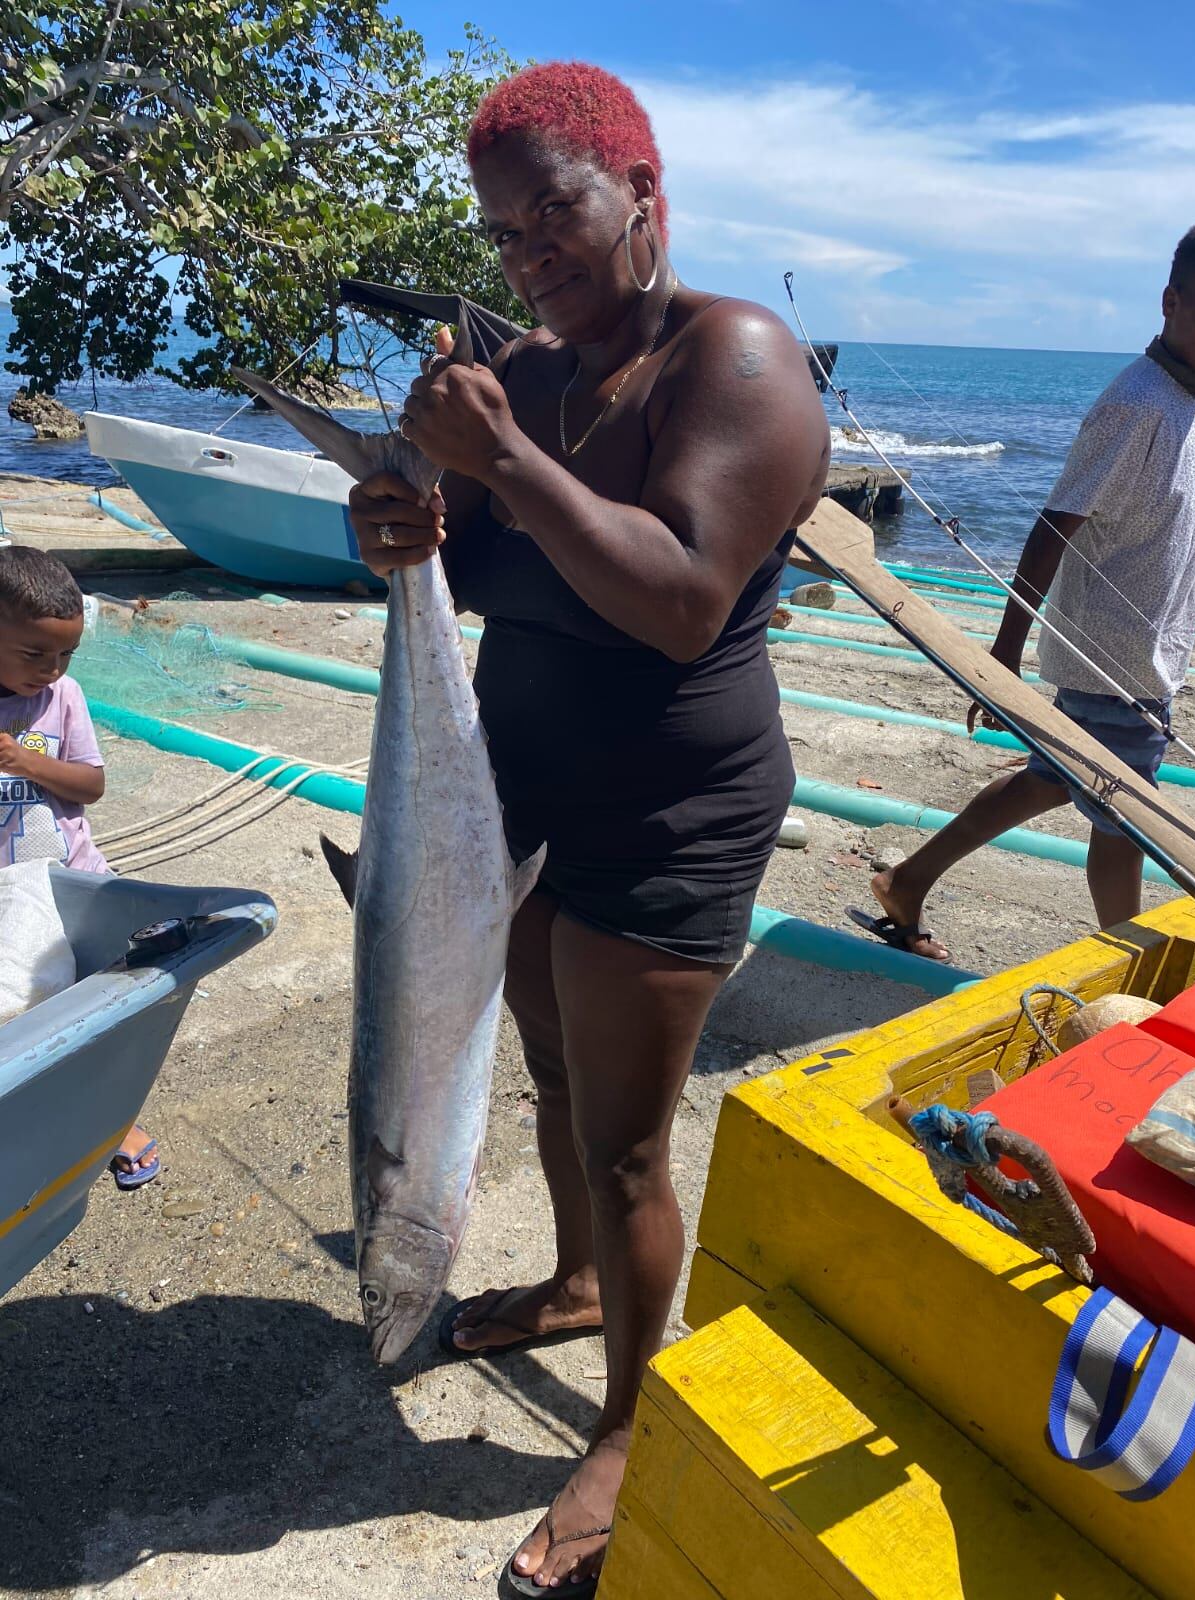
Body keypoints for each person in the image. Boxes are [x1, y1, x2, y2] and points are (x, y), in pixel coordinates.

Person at [347, 60, 829, 1596]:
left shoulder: (735, 358)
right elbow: (462, 543)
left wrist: (500, 456)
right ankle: (570, 1286)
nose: (529, 250)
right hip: (516, 791)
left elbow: (684, 598)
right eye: (502, 230)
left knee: (625, 1142)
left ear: (641, 189)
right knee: (553, 1072)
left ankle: (628, 1424)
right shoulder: (532, 370)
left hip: (670, 803)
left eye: (554, 207)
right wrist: (400, 521)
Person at [868, 224, 1195, 961]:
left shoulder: (1188, 397)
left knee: (1056, 783)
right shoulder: (1138, 404)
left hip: (1149, 651)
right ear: (1172, 301)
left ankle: (908, 881)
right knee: (1127, 818)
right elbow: (1053, 527)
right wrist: (1002, 655)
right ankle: (1128, 958)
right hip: (1115, 657)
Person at [0, 545, 160, 1187]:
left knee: (87, 1010)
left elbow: (90, 786)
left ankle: (109, 1119)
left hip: (68, 882)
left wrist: (25, 761)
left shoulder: (63, 698)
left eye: (65, 654)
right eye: (34, 653)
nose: (51, 668)